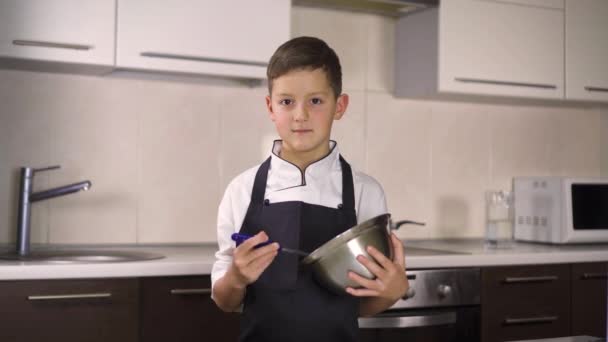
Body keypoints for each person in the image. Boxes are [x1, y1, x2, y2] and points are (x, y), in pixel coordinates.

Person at [211, 36, 409, 342]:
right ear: (270, 107)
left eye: (315, 101)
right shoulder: (241, 190)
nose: (300, 115)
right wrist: (236, 278)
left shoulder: (365, 192)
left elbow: (361, 304)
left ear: (339, 106)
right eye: (286, 101)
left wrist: (394, 292)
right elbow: (225, 301)